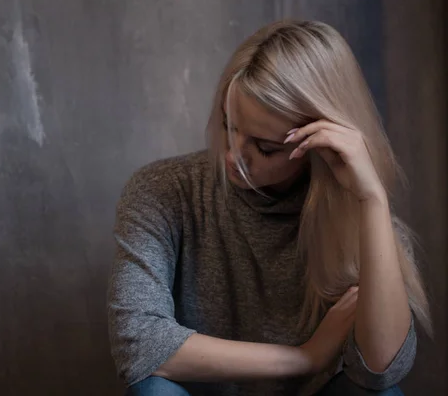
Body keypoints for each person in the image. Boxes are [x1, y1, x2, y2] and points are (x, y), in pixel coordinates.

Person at [107, 20, 431, 396]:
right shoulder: (163, 191)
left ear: (319, 144)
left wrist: (372, 199)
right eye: (229, 126)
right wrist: (306, 358)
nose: (232, 156)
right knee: (153, 390)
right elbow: (139, 346)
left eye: (265, 148)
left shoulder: (356, 218)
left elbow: (382, 372)